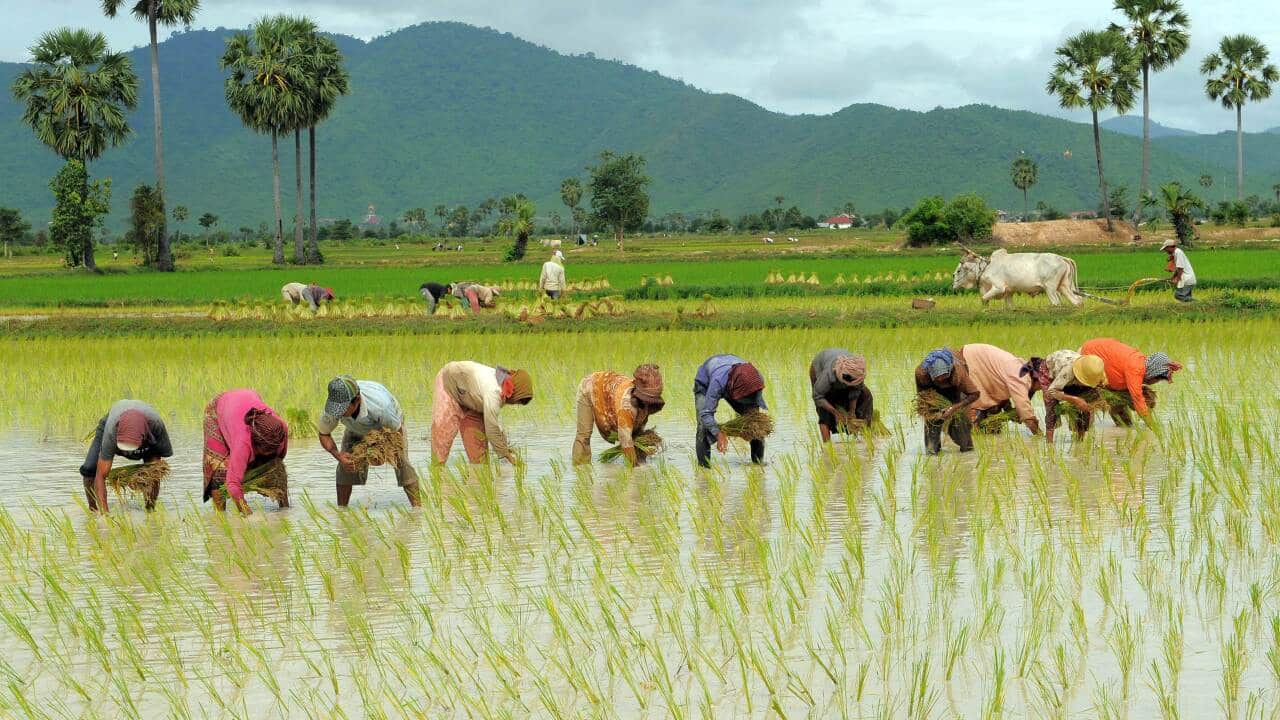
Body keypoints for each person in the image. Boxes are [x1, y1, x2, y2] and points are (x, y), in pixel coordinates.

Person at [318, 376, 420, 508]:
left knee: (402, 464)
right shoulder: (333, 408)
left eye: (342, 409)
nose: (338, 413)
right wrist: (338, 455)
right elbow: (324, 434)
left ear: (357, 401)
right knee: (345, 467)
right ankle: (342, 511)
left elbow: (396, 433)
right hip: (354, 428)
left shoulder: (381, 407)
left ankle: (418, 510)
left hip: (388, 429)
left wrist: (383, 453)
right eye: (336, 409)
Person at [202, 389, 289, 515]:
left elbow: (279, 460)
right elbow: (232, 484)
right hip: (219, 409)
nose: (271, 452)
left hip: (247, 397)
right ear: (255, 443)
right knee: (218, 472)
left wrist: (267, 475)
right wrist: (248, 515)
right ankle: (220, 517)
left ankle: (284, 510)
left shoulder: (281, 428)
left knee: (277, 472)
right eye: (266, 450)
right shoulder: (243, 443)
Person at [79, 399, 173, 512]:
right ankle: (93, 511)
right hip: (112, 424)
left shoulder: (156, 426)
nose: (128, 454)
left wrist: (141, 479)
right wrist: (105, 518)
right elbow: (101, 476)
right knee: (89, 469)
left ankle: (150, 510)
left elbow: (156, 467)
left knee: (152, 471)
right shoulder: (111, 431)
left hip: (146, 431)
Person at [431, 362, 533, 464]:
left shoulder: (501, 389)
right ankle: (437, 475)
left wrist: (504, 447)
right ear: (515, 393)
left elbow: (495, 422)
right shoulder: (494, 391)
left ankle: (477, 478)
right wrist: (505, 455)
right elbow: (492, 428)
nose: (514, 404)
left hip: (472, 400)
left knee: (479, 459)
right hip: (449, 383)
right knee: (442, 443)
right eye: (517, 401)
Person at [572, 364, 665, 466]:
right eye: (647, 399)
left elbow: (636, 432)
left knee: (634, 436)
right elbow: (625, 440)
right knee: (584, 436)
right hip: (590, 387)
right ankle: (580, 469)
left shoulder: (647, 403)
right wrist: (634, 468)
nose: (649, 403)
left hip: (610, 388)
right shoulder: (626, 406)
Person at [1079, 338, 1181, 427]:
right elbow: (1138, 400)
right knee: (1086, 409)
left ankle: (1121, 428)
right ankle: (1081, 434)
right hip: (1088, 355)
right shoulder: (1135, 369)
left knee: (1120, 407)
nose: (1154, 383)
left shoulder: (1141, 362)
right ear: (1153, 373)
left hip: (1102, 355)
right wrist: (1154, 428)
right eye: (1157, 379)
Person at [693, 355, 767, 468]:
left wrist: (747, 430)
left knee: (755, 425)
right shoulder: (717, 383)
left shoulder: (756, 380)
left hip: (736, 382)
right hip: (706, 384)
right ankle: (704, 471)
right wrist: (718, 434)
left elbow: (754, 405)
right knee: (703, 427)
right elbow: (706, 413)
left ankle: (758, 465)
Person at [959, 343, 1045, 436]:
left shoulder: (1023, 371)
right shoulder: (1020, 377)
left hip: (979, 359)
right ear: (1038, 379)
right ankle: (966, 428)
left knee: (993, 422)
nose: (1041, 388)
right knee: (974, 412)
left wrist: (1009, 411)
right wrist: (1039, 435)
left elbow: (1003, 391)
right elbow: (1025, 411)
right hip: (972, 360)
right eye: (1042, 385)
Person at [915, 347, 979, 454]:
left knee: (961, 427)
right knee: (932, 425)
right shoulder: (921, 374)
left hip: (956, 391)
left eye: (944, 377)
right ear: (930, 374)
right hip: (933, 392)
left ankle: (967, 451)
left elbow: (974, 394)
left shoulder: (958, 373)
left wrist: (954, 408)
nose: (941, 381)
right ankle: (932, 454)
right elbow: (923, 398)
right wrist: (934, 411)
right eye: (938, 378)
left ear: (950, 371)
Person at [1042, 350, 1107, 443]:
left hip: (1074, 375)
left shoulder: (1096, 370)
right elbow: (1051, 391)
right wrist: (1075, 399)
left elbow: (1101, 384)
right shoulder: (1068, 371)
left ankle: (1080, 440)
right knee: (1051, 405)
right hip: (1051, 371)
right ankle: (1049, 444)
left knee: (1086, 402)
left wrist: (1098, 400)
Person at [809, 349, 873, 443]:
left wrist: (852, 411)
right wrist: (835, 412)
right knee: (824, 411)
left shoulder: (857, 372)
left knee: (866, 396)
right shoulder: (828, 375)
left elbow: (856, 391)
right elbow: (817, 396)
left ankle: (866, 439)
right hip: (820, 370)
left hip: (848, 375)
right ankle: (828, 447)